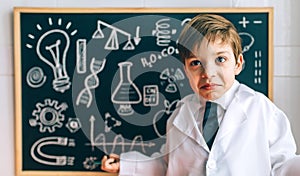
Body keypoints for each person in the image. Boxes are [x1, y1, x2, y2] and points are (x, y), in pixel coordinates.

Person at [101, 14, 300, 176]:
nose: (208, 73)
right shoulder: (180, 114)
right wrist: (127, 166)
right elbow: (170, 167)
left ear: (238, 63)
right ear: (186, 70)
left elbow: (283, 165)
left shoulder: (261, 109)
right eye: (196, 63)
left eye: (220, 59)